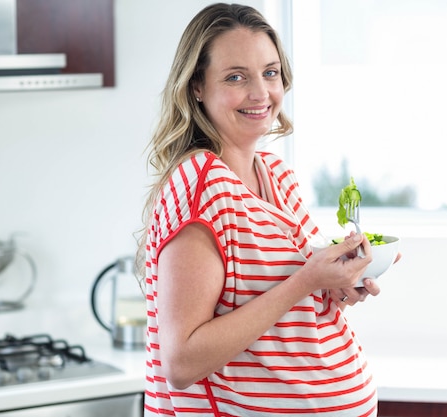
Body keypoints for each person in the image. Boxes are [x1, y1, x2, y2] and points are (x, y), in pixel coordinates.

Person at [138, 3, 387, 416]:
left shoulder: (275, 175)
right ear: (197, 85)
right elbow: (182, 362)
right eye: (236, 77)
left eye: (270, 73)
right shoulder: (199, 187)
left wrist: (335, 286)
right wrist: (307, 280)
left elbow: (277, 306)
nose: (261, 93)